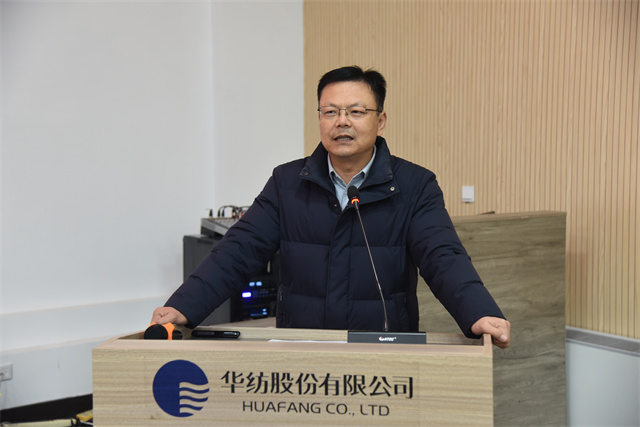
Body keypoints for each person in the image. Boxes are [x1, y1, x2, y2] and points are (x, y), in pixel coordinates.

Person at [152, 66, 511, 348]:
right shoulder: (287, 182)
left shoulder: (414, 186)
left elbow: (443, 256)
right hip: (303, 350)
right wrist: (184, 305)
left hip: (384, 352)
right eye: (330, 111)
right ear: (320, 118)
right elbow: (238, 250)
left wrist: (478, 312)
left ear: (380, 121)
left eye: (356, 111)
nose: (342, 121)